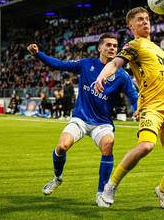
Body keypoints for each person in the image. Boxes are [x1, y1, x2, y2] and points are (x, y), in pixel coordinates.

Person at [94, 7, 164, 210]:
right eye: (140, 20)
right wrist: (101, 76)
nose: (145, 22)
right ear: (131, 26)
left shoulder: (158, 49)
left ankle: (162, 191)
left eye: (147, 19)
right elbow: (116, 64)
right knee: (146, 146)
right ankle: (110, 186)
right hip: (151, 106)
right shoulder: (134, 45)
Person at [27, 33, 138, 207]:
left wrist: (138, 108)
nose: (112, 48)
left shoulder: (122, 75)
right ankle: (57, 178)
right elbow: (58, 64)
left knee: (108, 144)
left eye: (115, 46)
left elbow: (133, 95)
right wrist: (38, 53)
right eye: (108, 45)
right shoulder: (86, 64)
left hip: (102, 122)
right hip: (81, 118)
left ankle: (101, 193)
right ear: (99, 48)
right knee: (62, 146)